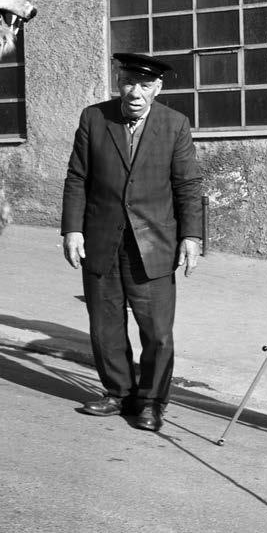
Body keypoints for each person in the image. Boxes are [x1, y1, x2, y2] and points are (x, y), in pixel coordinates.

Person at [61, 52, 203, 433]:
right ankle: (118, 392)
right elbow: (77, 177)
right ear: (119, 83)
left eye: (144, 85)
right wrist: (72, 230)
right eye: (128, 82)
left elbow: (188, 185)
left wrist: (191, 235)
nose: (134, 92)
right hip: (101, 238)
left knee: (156, 330)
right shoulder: (95, 117)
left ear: (158, 88)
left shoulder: (175, 125)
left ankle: (153, 401)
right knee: (105, 324)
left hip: (153, 243)